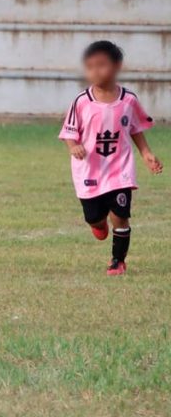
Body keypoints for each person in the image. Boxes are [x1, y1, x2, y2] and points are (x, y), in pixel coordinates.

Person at [58, 40, 162, 276]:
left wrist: (146, 153)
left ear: (117, 66)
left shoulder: (129, 100)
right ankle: (98, 223)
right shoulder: (82, 101)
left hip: (120, 169)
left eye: (101, 65)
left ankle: (118, 261)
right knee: (94, 218)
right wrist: (73, 146)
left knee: (121, 217)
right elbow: (69, 132)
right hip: (89, 170)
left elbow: (135, 128)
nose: (95, 71)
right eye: (90, 66)